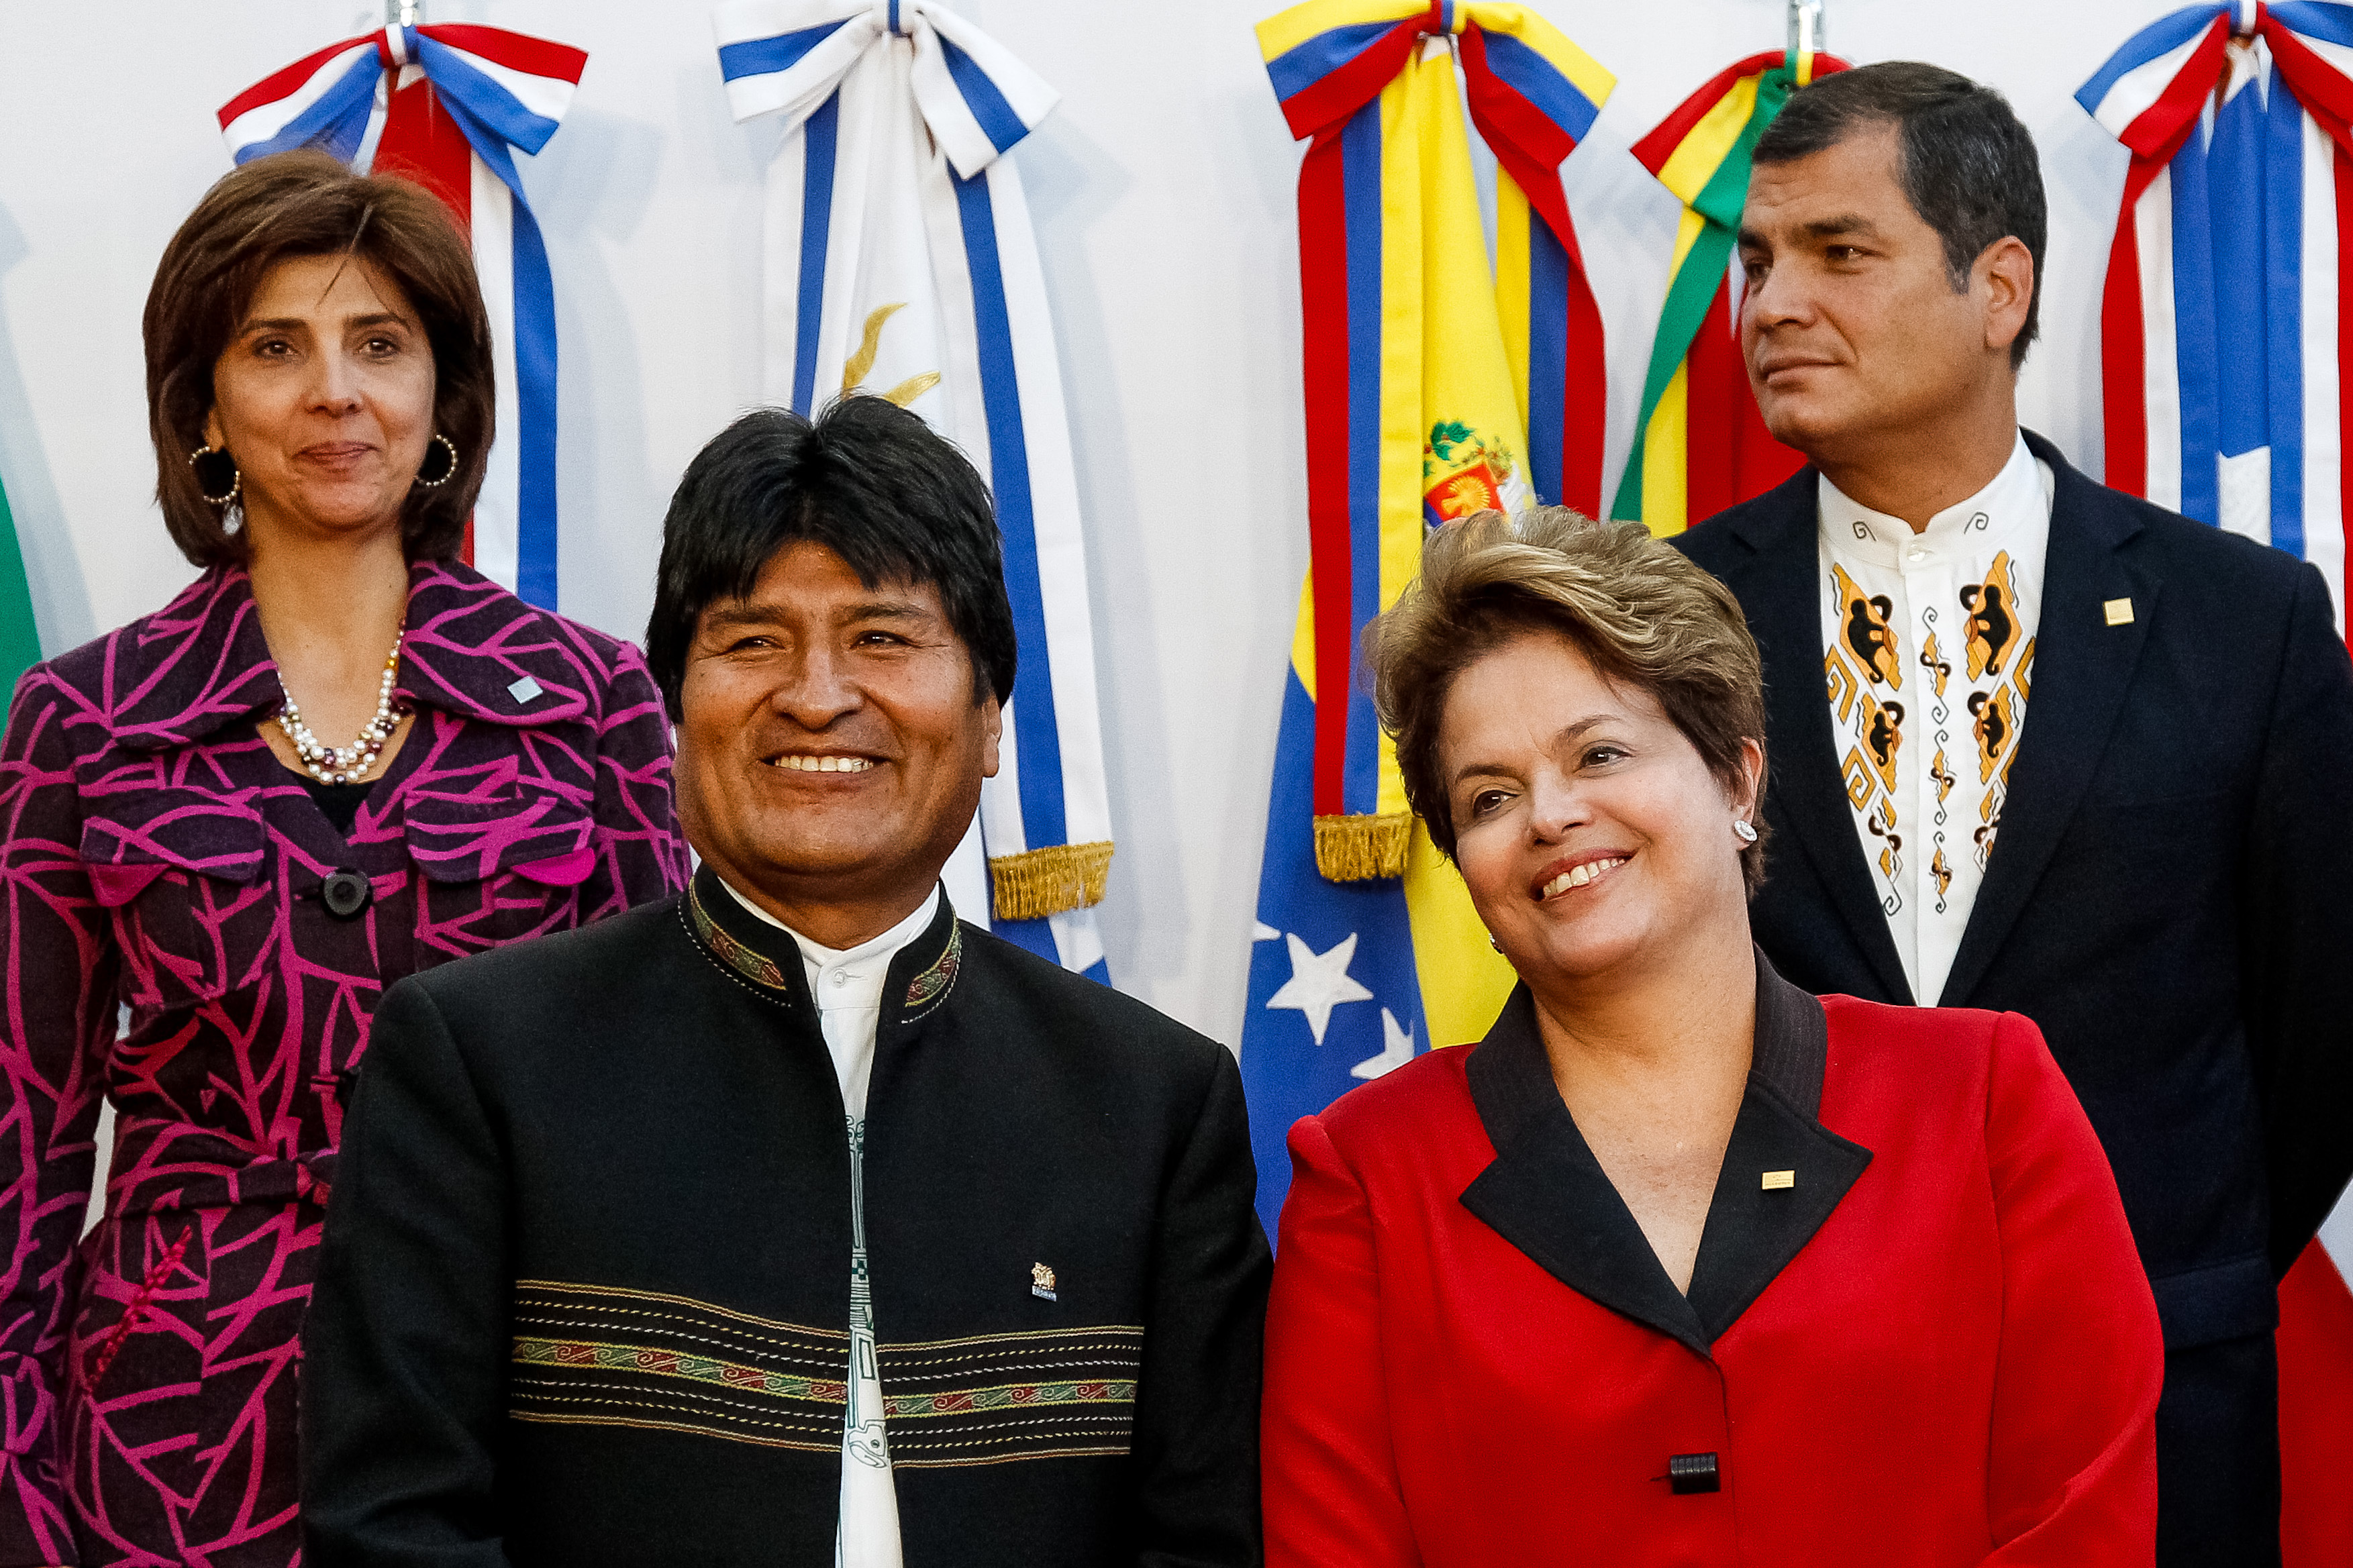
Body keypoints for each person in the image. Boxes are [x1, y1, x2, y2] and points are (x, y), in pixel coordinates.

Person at [299, 398, 1270, 1567]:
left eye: (882, 637)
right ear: (671, 707)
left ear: (992, 716)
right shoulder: (477, 1060)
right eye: (752, 640)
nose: (816, 694)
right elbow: (393, 1526)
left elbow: (1202, 1540)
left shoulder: (1153, 1102)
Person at [1672, 62, 2353, 1567]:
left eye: (1836, 253)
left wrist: (2166, 1253)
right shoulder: (1658, 622)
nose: (1771, 302)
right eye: (1756, 259)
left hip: (2158, 1404)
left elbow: (2320, 1038)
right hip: (1774, 1394)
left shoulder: (2245, 621)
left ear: (1998, 287)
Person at [0, 150, 689, 1565]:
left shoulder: (593, 699)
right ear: (202, 406)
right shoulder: (75, 722)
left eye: (381, 343)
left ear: (445, 394)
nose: (337, 392)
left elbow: (660, 1109)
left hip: (507, 1391)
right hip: (164, 1431)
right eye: (276, 347)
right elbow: (20, 1147)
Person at [1260, 505, 2163, 1565]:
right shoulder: (1365, 1177)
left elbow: (2080, 1521)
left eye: (1597, 752)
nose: (1549, 815)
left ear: (1736, 777)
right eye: (1489, 795)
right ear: (1465, 863)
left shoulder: (1982, 1095)